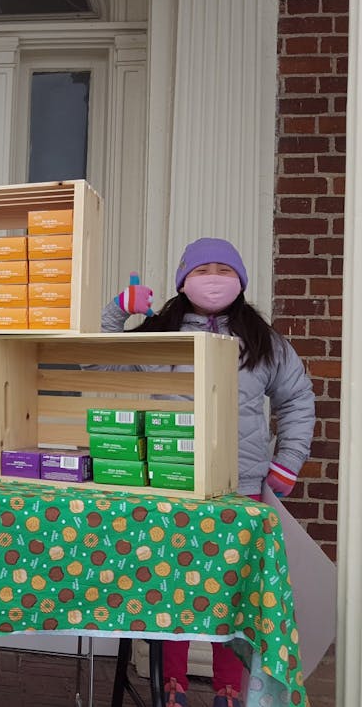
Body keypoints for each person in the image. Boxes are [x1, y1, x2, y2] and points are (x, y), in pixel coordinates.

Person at [106, 237, 316, 707]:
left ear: (241, 280)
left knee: (233, 588)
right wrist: (118, 311)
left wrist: (287, 463)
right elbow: (99, 360)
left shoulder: (264, 341)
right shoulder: (159, 334)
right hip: (169, 480)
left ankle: (228, 687)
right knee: (171, 584)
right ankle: (172, 684)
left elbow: (297, 400)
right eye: (203, 270)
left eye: (225, 270)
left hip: (240, 485)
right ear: (184, 280)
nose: (214, 279)